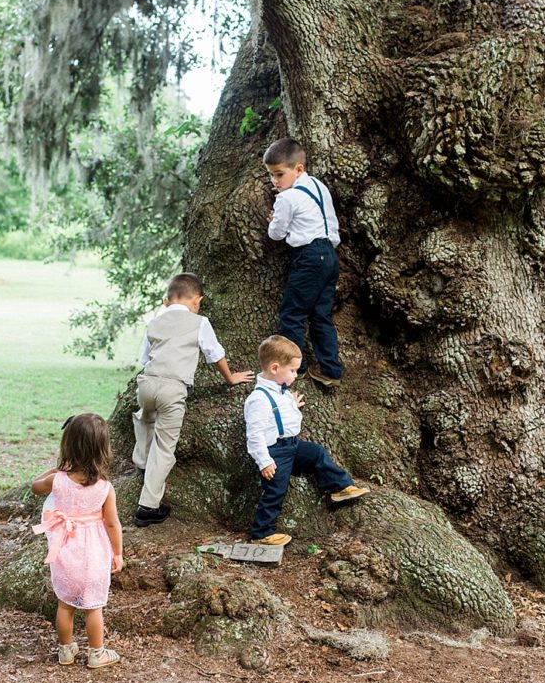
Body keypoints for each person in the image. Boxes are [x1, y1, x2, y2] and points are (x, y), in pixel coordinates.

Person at [132, 272, 254, 527]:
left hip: (147, 383)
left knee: (144, 418)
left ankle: (142, 461)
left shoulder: (154, 322)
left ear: (166, 301)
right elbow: (214, 353)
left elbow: (145, 359)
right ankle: (148, 506)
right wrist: (230, 378)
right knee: (165, 448)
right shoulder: (199, 322)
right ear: (197, 301)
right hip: (173, 389)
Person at [245, 335, 369, 545]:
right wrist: (264, 461)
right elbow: (254, 434)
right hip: (275, 453)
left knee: (317, 453)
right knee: (276, 490)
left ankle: (339, 487)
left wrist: (291, 405)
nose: (295, 375)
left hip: (293, 445)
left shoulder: (281, 392)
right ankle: (262, 532)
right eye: (292, 370)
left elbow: (281, 412)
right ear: (275, 368)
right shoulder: (258, 399)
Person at [32, 413, 123, 669]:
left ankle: (65, 651)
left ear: (68, 445)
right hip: (95, 553)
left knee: (65, 605)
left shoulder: (56, 480)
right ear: (102, 450)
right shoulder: (105, 488)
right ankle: (97, 653)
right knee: (94, 608)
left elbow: (35, 487)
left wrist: (55, 469)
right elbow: (113, 523)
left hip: (66, 551)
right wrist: (118, 554)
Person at [264, 137, 344, 387]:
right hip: (330, 256)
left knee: (292, 314)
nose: (275, 181)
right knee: (321, 315)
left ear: (298, 169)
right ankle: (331, 370)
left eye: (279, 174)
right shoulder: (319, 187)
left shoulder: (286, 198)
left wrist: (273, 221)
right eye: (271, 176)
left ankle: (295, 367)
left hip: (309, 257)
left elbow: (275, 234)